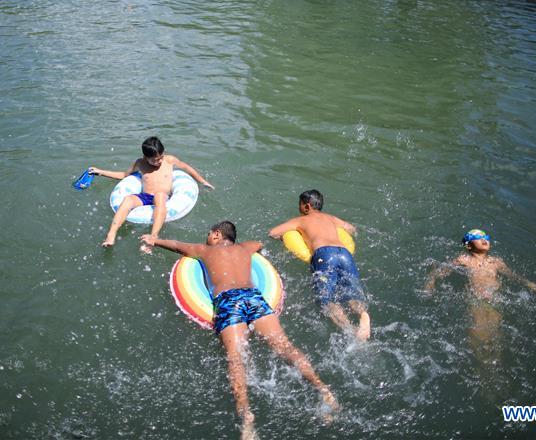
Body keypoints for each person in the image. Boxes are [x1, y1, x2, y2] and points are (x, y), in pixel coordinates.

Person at [141, 222, 338, 440]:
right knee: (284, 346)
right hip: (254, 297)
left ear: (217, 235)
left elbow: (177, 245)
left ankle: (246, 419)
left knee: (236, 359)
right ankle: (323, 389)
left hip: (228, 301)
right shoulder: (246, 247)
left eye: (208, 234)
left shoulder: (204, 250)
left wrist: (154, 240)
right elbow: (260, 244)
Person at [424, 229, 536, 366]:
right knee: (478, 333)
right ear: (468, 245)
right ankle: (480, 364)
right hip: (476, 300)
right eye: (478, 237)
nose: (484, 239)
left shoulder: (497, 262)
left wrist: (527, 283)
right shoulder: (464, 259)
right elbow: (444, 270)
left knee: (495, 335)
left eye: (486, 236)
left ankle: (495, 366)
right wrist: (431, 280)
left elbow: (511, 275)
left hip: (495, 301)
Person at [268, 190, 371, 342]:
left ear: (307, 207)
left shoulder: (301, 220)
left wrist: (286, 240)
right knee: (350, 293)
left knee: (325, 300)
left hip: (324, 254)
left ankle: (350, 330)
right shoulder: (330, 218)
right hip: (344, 254)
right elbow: (351, 229)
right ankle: (363, 315)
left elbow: (273, 232)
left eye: (300, 205)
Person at [88, 136, 213, 247]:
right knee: (128, 200)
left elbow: (187, 168)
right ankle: (111, 234)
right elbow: (124, 175)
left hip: (163, 196)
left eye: (160, 157)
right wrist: (101, 172)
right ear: (145, 157)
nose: (158, 161)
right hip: (145, 196)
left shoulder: (169, 160)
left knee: (159, 196)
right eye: (154, 160)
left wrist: (203, 181)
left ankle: (153, 237)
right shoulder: (140, 163)